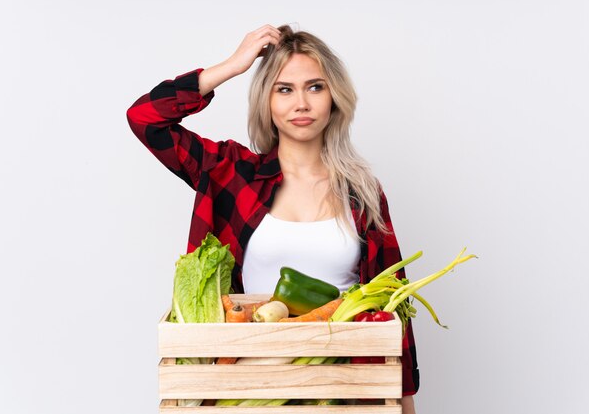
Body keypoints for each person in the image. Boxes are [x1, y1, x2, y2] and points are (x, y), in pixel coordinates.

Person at [127, 24, 418, 412]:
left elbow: (392, 305)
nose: (301, 103)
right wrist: (232, 66)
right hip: (248, 387)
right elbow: (145, 118)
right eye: (284, 89)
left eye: (315, 87)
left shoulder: (361, 191)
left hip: (342, 389)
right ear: (266, 101)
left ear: (335, 98)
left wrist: (405, 404)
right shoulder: (230, 174)